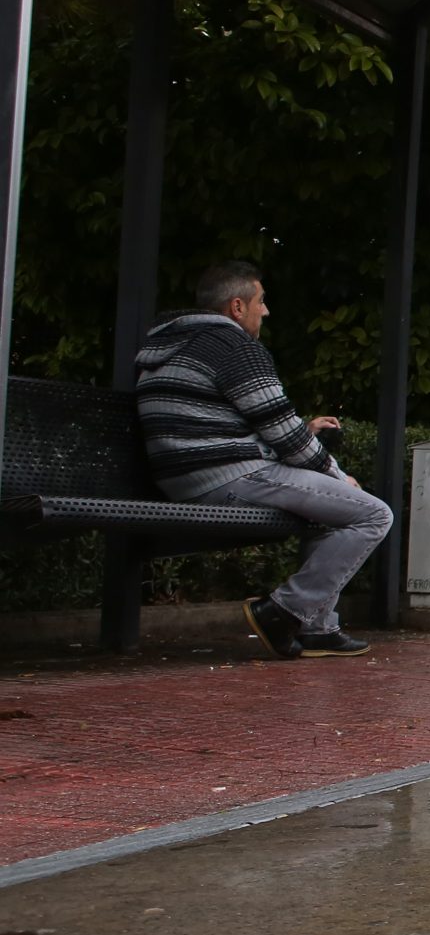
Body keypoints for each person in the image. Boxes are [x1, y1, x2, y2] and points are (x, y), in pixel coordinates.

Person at [135, 260, 391, 658]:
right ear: (237, 307)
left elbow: (227, 425)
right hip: (225, 476)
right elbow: (285, 439)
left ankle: (318, 628)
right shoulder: (233, 346)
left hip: (182, 476)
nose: (266, 311)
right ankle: (283, 611)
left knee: (329, 517)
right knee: (372, 514)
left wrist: (304, 434)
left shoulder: (172, 345)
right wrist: (338, 475)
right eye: (262, 301)